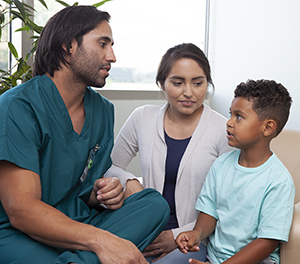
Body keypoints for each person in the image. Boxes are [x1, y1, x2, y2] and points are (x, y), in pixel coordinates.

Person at [0, 5, 170, 264]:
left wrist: (104, 193)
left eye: (111, 45)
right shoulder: (18, 106)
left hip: (77, 221)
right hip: (19, 233)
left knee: (154, 205)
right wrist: (103, 240)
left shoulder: (102, 110)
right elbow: (21, 210)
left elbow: (83, 187)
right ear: (68, 46)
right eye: (103, 44)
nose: (112, 56)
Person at [104, 43, 233, 263]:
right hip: (142, 229)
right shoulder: (142, 117)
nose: (188, 92)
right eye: (177, 82)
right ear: (161, 83)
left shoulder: (224, 130)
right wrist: (129, 181)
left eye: (198, 83)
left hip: (192, 240)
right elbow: (108, 166)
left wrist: (175, 236)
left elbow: (227, 203)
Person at [176, 79, 295, 264]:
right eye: (230, 114)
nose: (229, 123)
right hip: (213, 255)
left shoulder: (279, 180)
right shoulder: (221, 164)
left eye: (238, 116)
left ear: (267, 127)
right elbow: (210, 213)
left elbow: (267, 242)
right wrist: (196, 233)